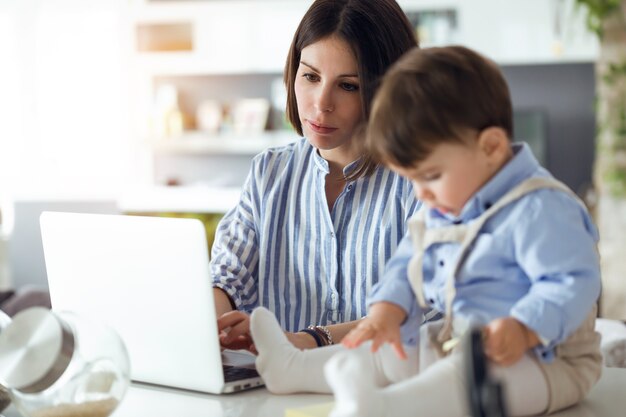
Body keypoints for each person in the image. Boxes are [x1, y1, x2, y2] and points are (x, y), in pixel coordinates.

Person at [250, 46, 602, 416]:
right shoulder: (448, 204)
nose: (422, 194)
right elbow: (410, 261)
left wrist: (525, 327)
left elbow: (573, 282)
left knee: (463, 380)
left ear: (492, 147)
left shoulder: (541, 207)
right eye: (411, 180)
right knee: (390, 350)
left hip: (546, 362)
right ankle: (290, 368)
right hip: (461, 341)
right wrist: (387, 309)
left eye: (431, 176)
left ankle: (383, 407)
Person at [212, 0, 420, 353]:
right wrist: (212, 329)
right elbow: (227, 277)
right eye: (310, 76)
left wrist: (307, 341)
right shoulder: (269, 172)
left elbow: (428, 310)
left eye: (349, 86)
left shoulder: (421, 180)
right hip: (281, 397)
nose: (321, 104)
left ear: (388, 91)